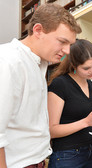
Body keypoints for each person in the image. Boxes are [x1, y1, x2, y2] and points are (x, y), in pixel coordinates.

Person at [0, 3, 81, 168]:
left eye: (70, 45)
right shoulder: (8, 61)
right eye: (62, 42)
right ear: (38, 30)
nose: (67, 51)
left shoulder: (40, 63)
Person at [47, 39, 92, 168]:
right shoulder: (60, 84)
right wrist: (85, 122)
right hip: (68, 154)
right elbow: (52, 130)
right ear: (74, 65)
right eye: (86, 68)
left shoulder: (91, 84)